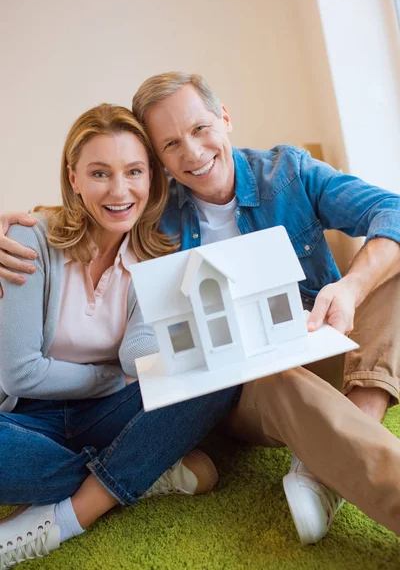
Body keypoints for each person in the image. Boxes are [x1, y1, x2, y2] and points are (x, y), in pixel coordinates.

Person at [2, 73, 400, 546]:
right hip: (249, 384)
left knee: (391, 268)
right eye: (170, 144)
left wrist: (352, 287)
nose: (191, 153)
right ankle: (141, 468)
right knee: (237, 373)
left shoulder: (285, 172)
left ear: (225, 118)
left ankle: (335, 452)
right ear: (161, 162)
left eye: (200, 129)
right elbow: (48, 354)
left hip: (318, 339)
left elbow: (391, 212)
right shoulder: (154, 220)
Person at [0, 103, 242, 568]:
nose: (119, 190)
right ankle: (144, 467)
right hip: (28, 417)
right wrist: (115, 378)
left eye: (133, 171)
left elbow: (137, 356)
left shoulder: (156, 257)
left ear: (151, 177)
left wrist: (158, 356)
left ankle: (74, 512)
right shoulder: (30, 240)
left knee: (219, 377)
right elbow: (20, 375)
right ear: (73, 178)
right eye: (99, 173)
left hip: (108, 414)